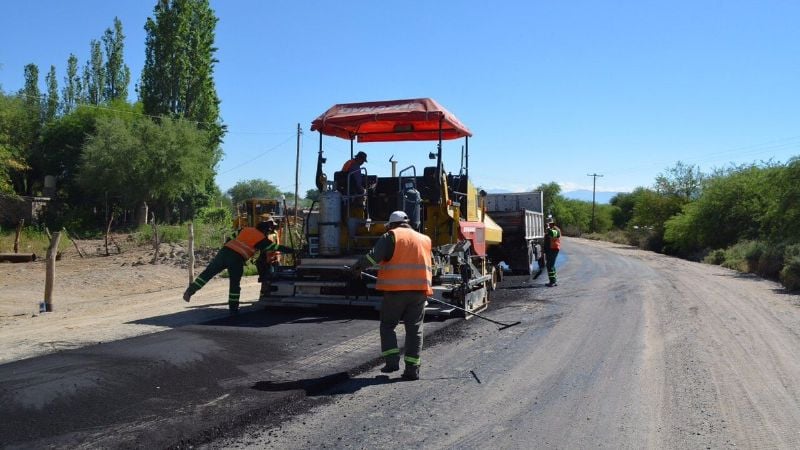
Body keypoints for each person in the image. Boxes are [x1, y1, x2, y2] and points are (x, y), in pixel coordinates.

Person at [350, 210, 432, 381]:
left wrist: (357, 267)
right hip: (419, 291)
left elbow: (373, 258)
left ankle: (392, 362)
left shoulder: (391, 236)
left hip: (396, 291)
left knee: (388, 326)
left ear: (392, 224)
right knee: (415, 330)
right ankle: (412, 369)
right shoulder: (424, 239)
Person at [182, 220, 294, 313]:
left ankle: (189, 292)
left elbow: (230, 237)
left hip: (224, 252)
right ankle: (233, 309)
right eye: (268, 232)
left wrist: (228, 246)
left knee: (207, 274)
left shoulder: (245, 229)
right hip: (236, 259)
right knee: (234, 284)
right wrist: (293, 251)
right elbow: (275, 247)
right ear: (265, 230)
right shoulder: (261, 238)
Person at [543, 217, 562, 287]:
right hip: (549, 250)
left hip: (554, 249)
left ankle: (552, 281)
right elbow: (546, 240)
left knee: (550, 265)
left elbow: (554, 234)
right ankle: (553, 281)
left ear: (552, 224)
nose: (547, 225)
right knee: (551, 265)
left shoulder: (556, 229)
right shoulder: (548, 230)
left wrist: (548, 228)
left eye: (549, 223)